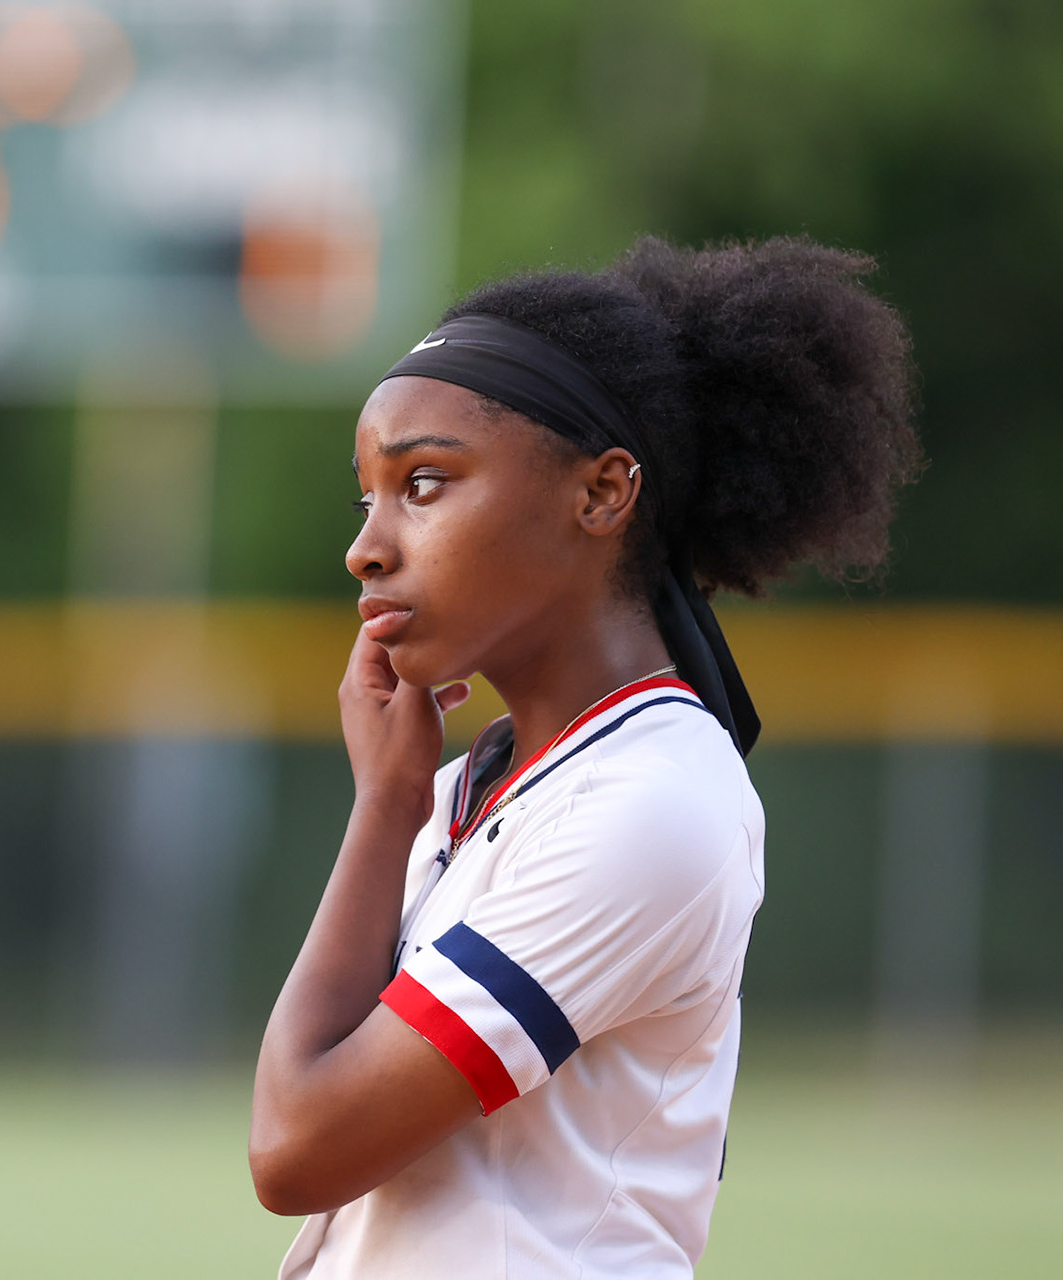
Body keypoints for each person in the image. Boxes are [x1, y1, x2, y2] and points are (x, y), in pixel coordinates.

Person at [249, 237, 921, 1278]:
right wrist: (386, 803)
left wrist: (385, 811)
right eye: (367, 497)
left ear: (604, 493)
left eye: (424, 482)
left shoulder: (649, 801)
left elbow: (298, 1148)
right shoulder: (463, 788)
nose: (367, 546)